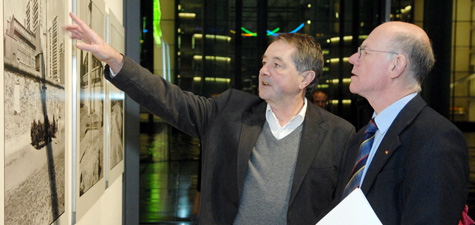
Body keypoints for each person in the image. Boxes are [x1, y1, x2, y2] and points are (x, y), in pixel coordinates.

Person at [66, 12, 355, 225]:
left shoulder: (339, 134)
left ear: (305, 78)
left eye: (277, 65)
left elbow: (344, 207)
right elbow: (170, 99)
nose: (264, 70)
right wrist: (115, 60)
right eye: (264, 62)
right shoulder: (231, 111)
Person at [328, 21, 469, 225]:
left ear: (396, 65)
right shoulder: (360, 139)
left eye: (364, 52)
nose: (352, 59)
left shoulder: (437, 139)